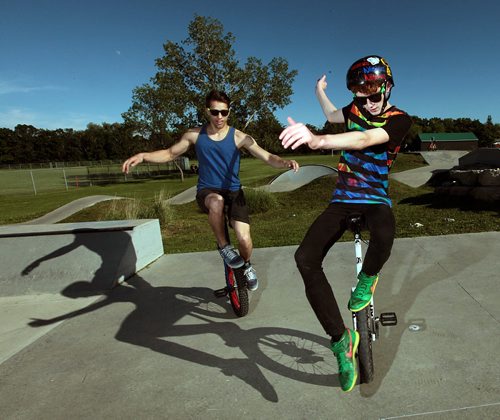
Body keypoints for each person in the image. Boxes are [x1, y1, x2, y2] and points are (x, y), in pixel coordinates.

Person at [279, 55, 412, 392]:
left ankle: (367, 281)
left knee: (384, 231)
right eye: (357, 92)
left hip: (374, 199)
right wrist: (318, 90)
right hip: (342, 199)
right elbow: (329, 115)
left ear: (386, 86)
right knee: (305, 259)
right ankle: (341, 340)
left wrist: (320, 141)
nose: (364, 100)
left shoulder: (399, 120)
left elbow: (366, 139)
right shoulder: (352, 109)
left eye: (370, 91)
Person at [122, 90, 299, 291]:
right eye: (215, 112)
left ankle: (247, 266)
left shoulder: (239, 137)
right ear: (208, 111)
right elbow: (170, 153)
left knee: (244, 239)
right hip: (208, 190)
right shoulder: (194, 135)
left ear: (229, 112)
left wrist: (285, 162)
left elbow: (267, 157)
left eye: (224, 112)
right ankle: (224, 247)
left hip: (234, 192)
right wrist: (144, 156)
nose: (220, 117)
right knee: (216, 202)